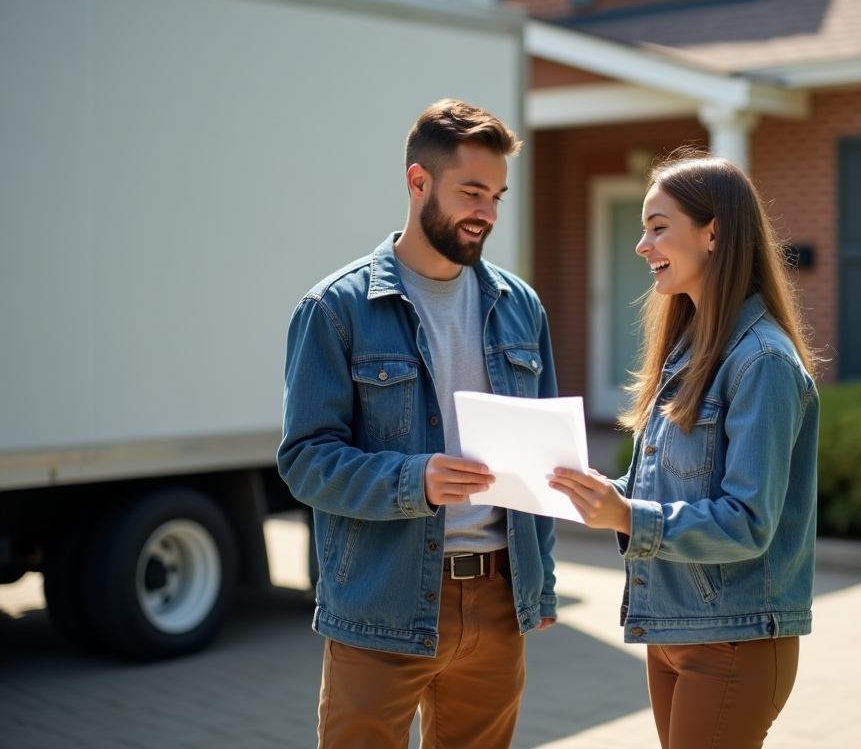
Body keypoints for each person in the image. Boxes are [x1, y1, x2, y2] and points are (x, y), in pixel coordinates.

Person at [278, 99, 558, 749]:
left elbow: (541, 460)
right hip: (383, 602)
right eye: (471, 191)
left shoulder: (522, 308)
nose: (486, 211)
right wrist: (417, 479)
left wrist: (537, 586)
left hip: (496, 599)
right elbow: (306, 461)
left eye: (496, 194)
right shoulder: (335, 310)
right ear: (417, 181)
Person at [549, 150, 818, 749]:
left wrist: (628, 517)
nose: (643, 246)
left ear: (714, 232)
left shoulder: (764, 362)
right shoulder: (689, 350)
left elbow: (748, 522)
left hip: (734, 638)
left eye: (657, 227)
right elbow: (674, 490)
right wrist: (598, 493)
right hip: (671, 627)